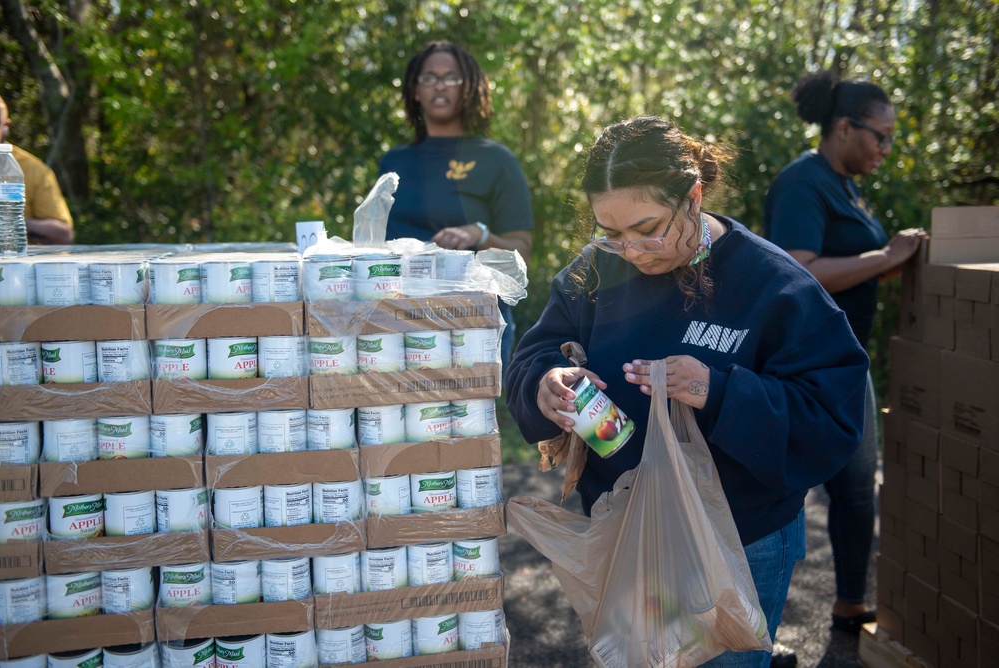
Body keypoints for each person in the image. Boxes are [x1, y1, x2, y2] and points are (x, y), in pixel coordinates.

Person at [505, 116, 869, 668]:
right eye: (611, 232)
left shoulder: (775, 286)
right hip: (624, 531)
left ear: (694, 196)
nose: (631, 249)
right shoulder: (596, 272)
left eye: (648, 227)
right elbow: (534, 355)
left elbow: (832, 417)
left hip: (736, 542)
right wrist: (543, 386)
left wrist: (718, 391)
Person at [763, 71, 927, 664]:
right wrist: (886, 255)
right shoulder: (803, 184)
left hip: (846, 360)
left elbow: (849, 265)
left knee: (857, 492)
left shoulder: (846, 186)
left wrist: (890, 263)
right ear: (843, 127)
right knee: (779, 493)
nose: (885, 148)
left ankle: (850, 608)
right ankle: (753, 629)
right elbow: (801, 269)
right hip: (803, 367)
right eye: (879, 137)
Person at [378, 41, 534, 368]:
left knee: (470, 418)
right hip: (398, 317)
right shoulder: (393, 162)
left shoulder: (496, 160)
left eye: (451, 78)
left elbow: (523, 255)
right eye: (429, 77)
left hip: (473, 321)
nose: (439, 85)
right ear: (415, 89)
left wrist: (479, 235)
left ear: (468, 89)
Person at [0, 94, 74, 245]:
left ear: (6, 126)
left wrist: (10, 220)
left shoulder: (32, 169)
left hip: (11, 265)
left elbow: (64, 235)